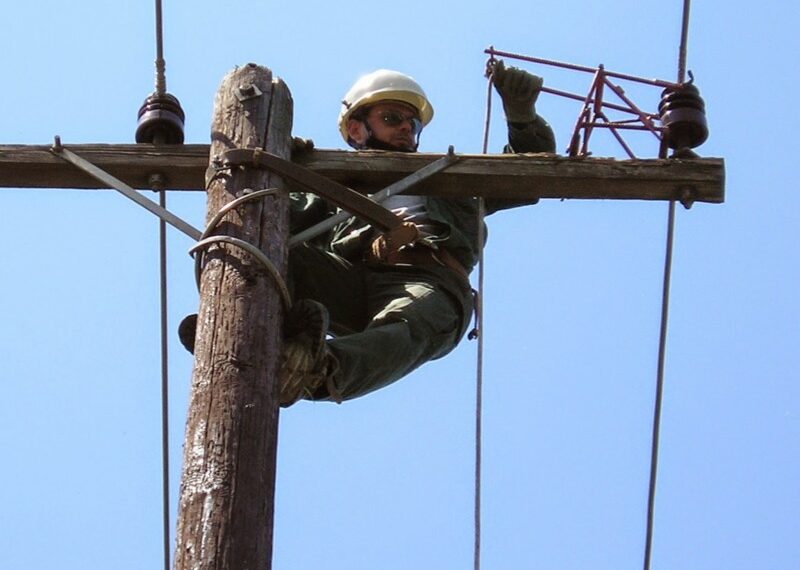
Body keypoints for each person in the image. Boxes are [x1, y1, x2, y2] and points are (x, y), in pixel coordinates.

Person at [277, 60, 556, 406]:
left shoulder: (449, 179)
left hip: (431, 280)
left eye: (414, 123)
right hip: (354, 279)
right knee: (253, 250)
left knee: (409, 323)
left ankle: (314, 370)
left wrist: (522, 117)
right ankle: (247, 333)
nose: (407, 128)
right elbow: (273, 218)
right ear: (356, 129)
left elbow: (529, 178)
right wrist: (282, 170)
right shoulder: (332, 184)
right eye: (392, 118)